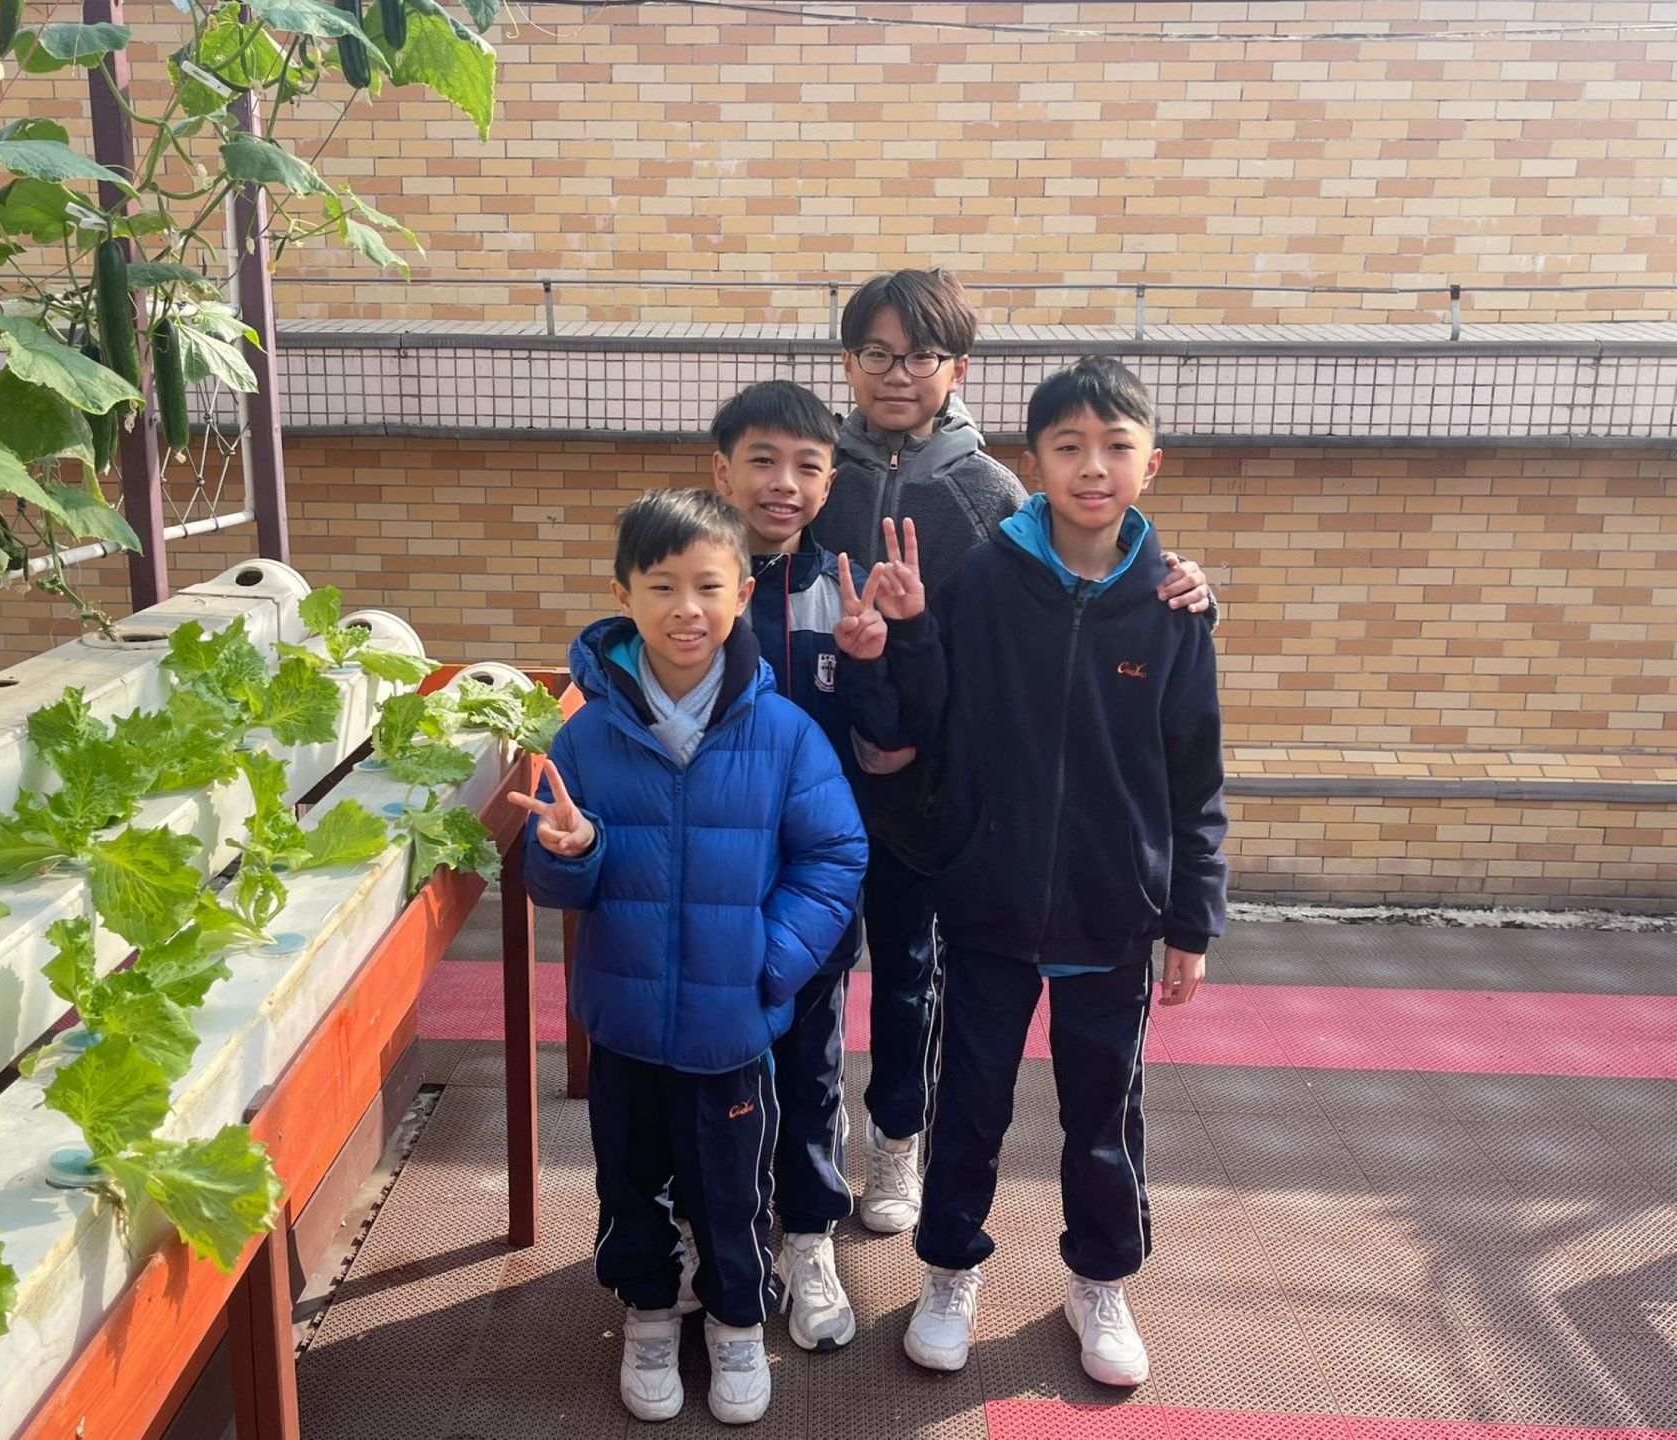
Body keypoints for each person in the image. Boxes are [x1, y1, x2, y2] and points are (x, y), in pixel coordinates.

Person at [842, 356, 1228, 1385]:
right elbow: (929, 715)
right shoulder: (985, 581)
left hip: (1114, 914)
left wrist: (1191, 922)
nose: (1092, 466)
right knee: (969, 1104)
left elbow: (1196, 777)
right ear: (1036, 461)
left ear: (1151, 463)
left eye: (1114, 447)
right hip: (990, 905)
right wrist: (905, 632)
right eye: (1068, 447)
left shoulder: (1173, 607)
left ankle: (1099, 1281)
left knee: (1104, 1114)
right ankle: (949, 1271)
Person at [510, 488, 867, 1426]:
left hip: (731, 1028)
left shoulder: (783, 731)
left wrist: (770, 961)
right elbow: (555, 884)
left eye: (708, 586)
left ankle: (738, 1323)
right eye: (661, 586)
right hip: (625, 1025)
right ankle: (649, 1314)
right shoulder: (585, 737)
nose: (686, 609)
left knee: (732, 1190)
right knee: (630, 1184)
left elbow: (835, 856)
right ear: (622, 594)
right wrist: (569, 853)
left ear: (742, 594)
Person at [701, 379, 913, 1354]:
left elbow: (889, 746)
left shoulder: (845, 590)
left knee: (812, 1063)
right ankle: (719, 1236)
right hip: (708, 880)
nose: (782, 483)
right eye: (762, 461)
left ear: (830, 484)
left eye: (806, 466)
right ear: (723, 471)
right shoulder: (692, 581)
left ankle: (810, 1237)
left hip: (817, 885)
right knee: (712, 1068)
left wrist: (870, 664)